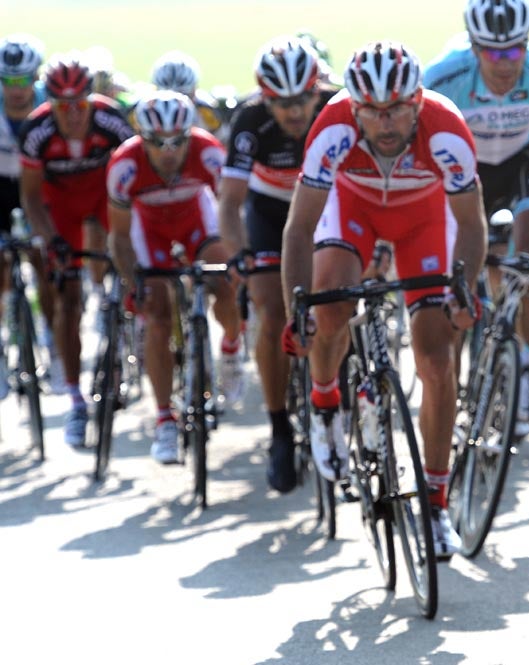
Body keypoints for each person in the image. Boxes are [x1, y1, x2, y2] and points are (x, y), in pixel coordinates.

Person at [281, 41, 486, 559]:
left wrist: (463, 289)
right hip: (354, 213)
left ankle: (436, 505)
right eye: (371, 110)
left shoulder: (447, 130)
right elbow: (299, 228)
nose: (385, 121)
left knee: (438, 362)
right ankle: (326, 400)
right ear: (354, 107)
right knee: (329, 310)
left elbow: (469, 222)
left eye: (396, 108)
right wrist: (294, 311)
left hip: (424, 222)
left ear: (418, 101)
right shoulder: (333, 129)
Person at [424, 0, 529, 437]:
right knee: (454, 272)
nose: (503, 63)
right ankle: (454, 392)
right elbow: (423, 166)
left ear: (526, 46)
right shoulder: (441, 78)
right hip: (467, 167)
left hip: (528, 159)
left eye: (513, 51)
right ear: (473, 47)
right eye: (492, 52)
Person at [217, 36, 336, 492]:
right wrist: (239, 254)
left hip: (326, 205)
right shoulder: (248, 121)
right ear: (265, 99)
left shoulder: (336, 108)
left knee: (334, 300)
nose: (295, 111)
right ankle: (280, 428)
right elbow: (229, 204)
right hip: (269, 212)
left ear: (317, 88)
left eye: (304, 98)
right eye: (282, 102)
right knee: (271, 311)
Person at [106, 90, 244, 464]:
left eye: (177, 142)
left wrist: (237, 261)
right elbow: (119, 237)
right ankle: (165, 419)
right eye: (157, 143)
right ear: (142, 139)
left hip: (195, 220)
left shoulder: (209, 152)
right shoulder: (124, 166)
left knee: (227, 282)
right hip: (148, 230)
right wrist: (133, 282)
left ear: (190, 135)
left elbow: (231, 212)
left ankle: (231, 349)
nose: (168, 151)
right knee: (158, 315)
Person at [19, 53, 134, 446]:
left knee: (132, 263)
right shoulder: (36, 132)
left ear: (92, 99)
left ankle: (125, 325)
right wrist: (52, 241)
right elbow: (31, 199)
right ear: (49, 104)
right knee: (67, 298)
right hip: (61, 205)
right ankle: (74, 397)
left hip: (106, 196)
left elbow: (134, 176)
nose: (72, 115)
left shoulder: (112, 121)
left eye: (80, 105)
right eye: (62, 107)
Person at [0, 34, 47, 401]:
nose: (16, 89)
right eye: (8, 81)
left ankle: (49, 330)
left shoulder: (50, 107)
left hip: (37, 189)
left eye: (23, 80)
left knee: (45, 258)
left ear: (36, 78)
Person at [150, 51, 226, 141]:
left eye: (183, 96)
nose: (175, 105)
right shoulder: (140, 110)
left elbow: (222, 144)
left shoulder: (208, 111)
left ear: (195, 89)